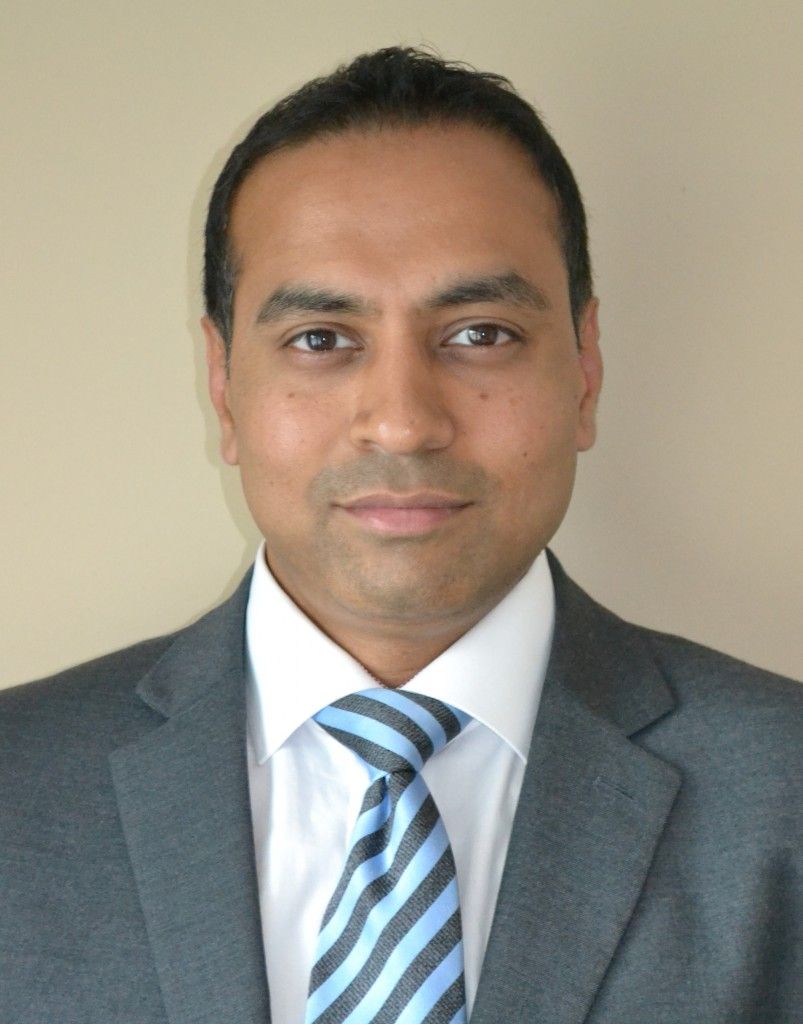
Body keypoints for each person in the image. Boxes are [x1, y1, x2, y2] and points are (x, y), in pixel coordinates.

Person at [1, 46, 800, 1024]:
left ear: (584, 372)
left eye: (479, 334)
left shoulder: (782, 790)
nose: (402, 422)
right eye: (320, 340)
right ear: (223, 387)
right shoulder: (17, 789)